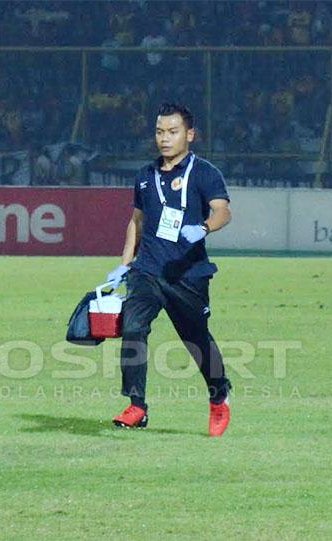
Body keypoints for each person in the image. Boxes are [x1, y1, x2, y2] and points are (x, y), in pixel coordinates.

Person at [105, 102, 233, 436]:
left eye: (173, 132)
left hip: (187, 274)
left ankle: (219, 395)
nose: (165, 138)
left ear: (189, 135)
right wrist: (123, 265)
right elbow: (136, 220)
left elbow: (223, 211)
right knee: (133, 329)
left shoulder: (205, 173)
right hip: (147, 271)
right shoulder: (145, 176)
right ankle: (137, 406)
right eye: (160, 132)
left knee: (196, 340)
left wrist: (204, 227)